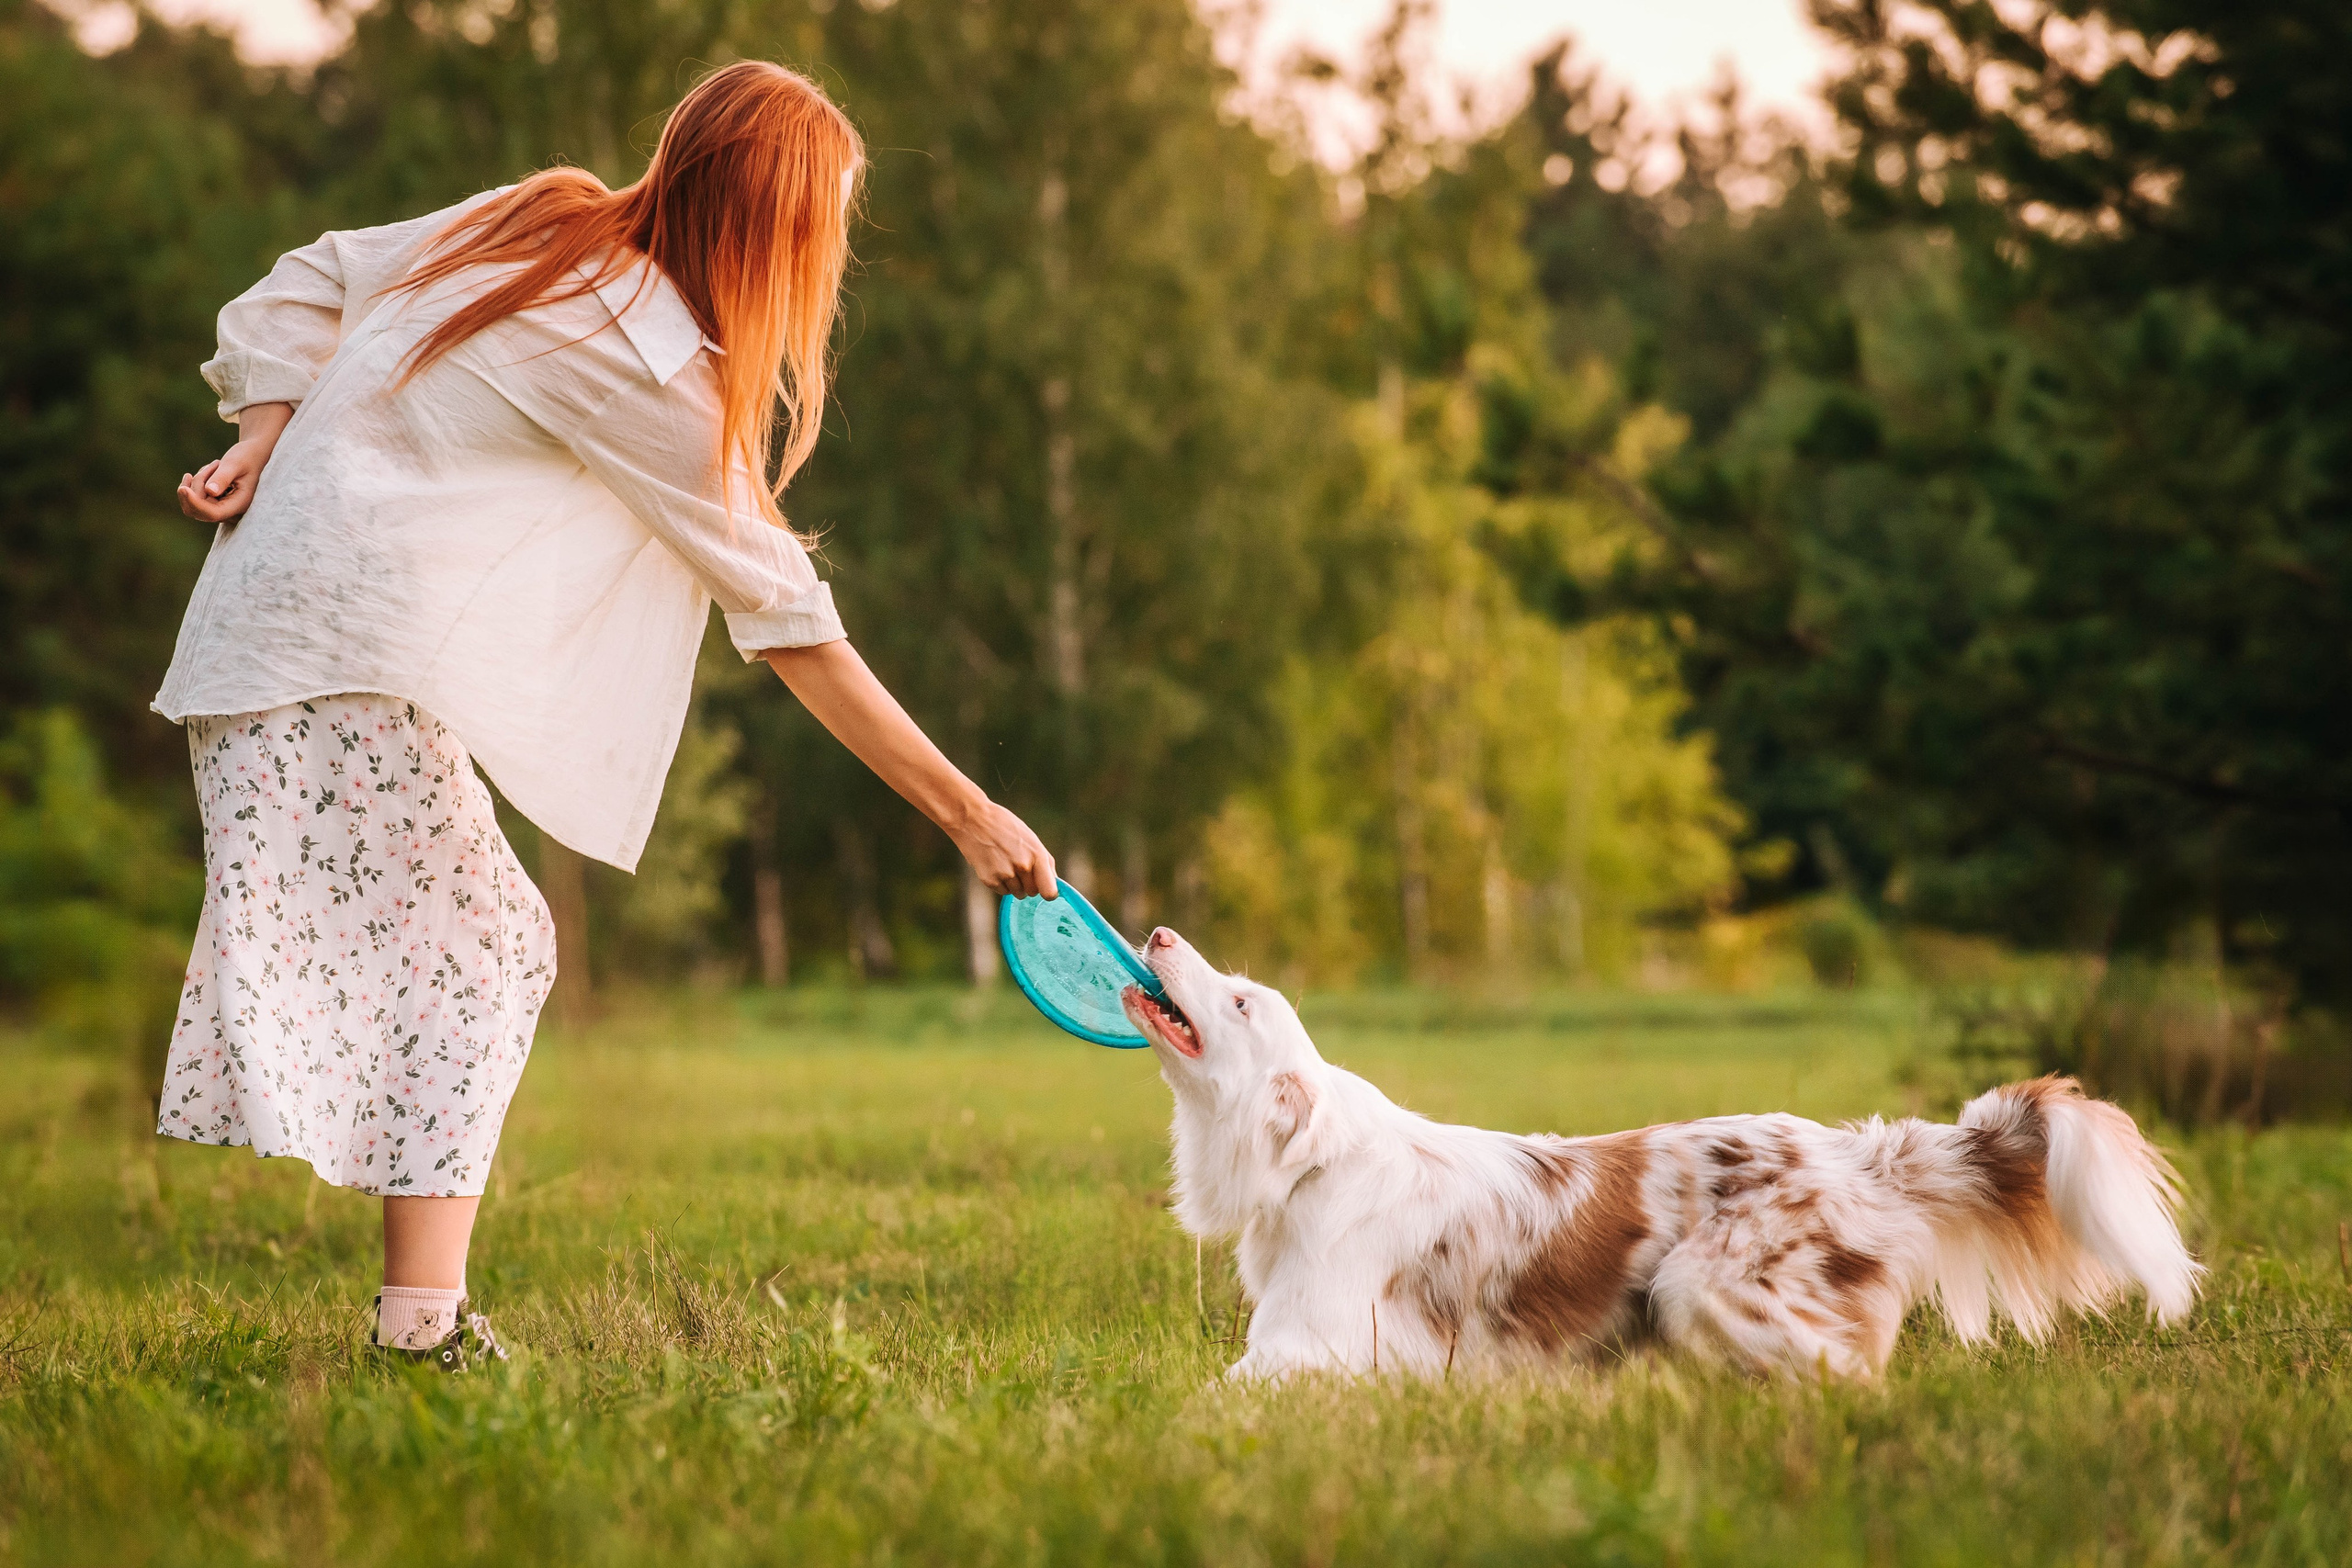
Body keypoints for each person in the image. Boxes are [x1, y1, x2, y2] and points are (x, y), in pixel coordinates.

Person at [156, 61, 1057, 1369]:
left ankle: (422, 1320)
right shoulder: (641, 356)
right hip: (321, 660)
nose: (832, 258)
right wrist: (969, 816)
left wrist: (264, 427)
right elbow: (796, 629)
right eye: (827, 229)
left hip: (284, 644)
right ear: (768, 228)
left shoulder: (545, 222)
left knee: (481, 945)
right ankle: (421, 1332)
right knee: (486, 949)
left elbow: (311, 270)